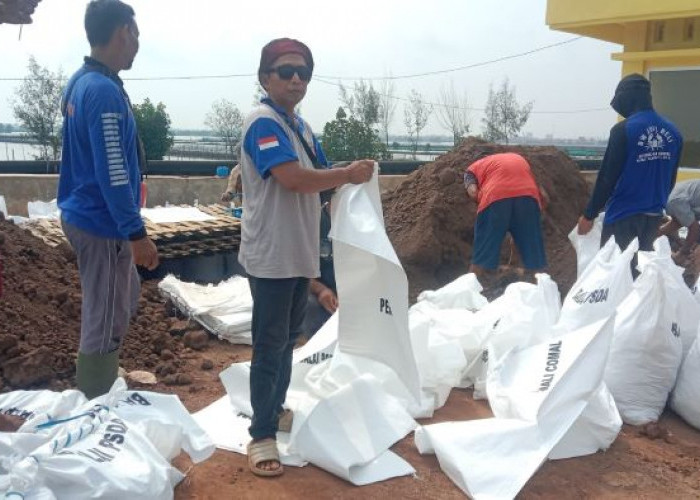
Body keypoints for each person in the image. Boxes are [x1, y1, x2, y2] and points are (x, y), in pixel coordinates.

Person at [239, 38, 374, 477]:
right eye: (285, 71)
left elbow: (325, 180)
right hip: (273, 255)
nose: (296, 79)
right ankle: (261, 435)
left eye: (303, 72)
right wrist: (346, 173)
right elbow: (295, 179)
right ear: (264, 77)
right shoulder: (264, 123)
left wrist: (350, 179)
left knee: (287, 339)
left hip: (298, 253)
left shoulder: (300, 126)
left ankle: (275, 409)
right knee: (269, 343)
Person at [57, 0, 158, 399]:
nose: (137, 45)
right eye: (136, 35)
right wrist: (135, 234)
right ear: (123, 33)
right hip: (102, 223)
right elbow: (114, 171)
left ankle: (99, 378)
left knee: (123, 296)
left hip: (89, 214)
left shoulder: (83, 81)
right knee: (106, 315)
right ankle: (95, 402)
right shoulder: (101, 91)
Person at [577, 74, 683, 255]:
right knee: (641, 271)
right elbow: (670, 178)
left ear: (627, 98)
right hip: (653, 217)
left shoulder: (624, 130)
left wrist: (589, 214)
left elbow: (607, 178)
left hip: (622, 216)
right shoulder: (674, 132)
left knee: (615, 273)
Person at [463, 151, 548, 278]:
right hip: (528, 197)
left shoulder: (472, 169)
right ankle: (543, 289)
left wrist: (483, 203)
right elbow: (545, 197)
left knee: (481, 257)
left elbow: (473, 192)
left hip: (495, 197)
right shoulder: (519, 159)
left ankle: (469, 289)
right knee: (535, 259)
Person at [659, 179, 700, 263]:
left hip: (677, 197)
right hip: (677, 200)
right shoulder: (675, 202)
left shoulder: (672, 200)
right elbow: (693, 228)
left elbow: (686, 224)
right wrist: (682, 253)